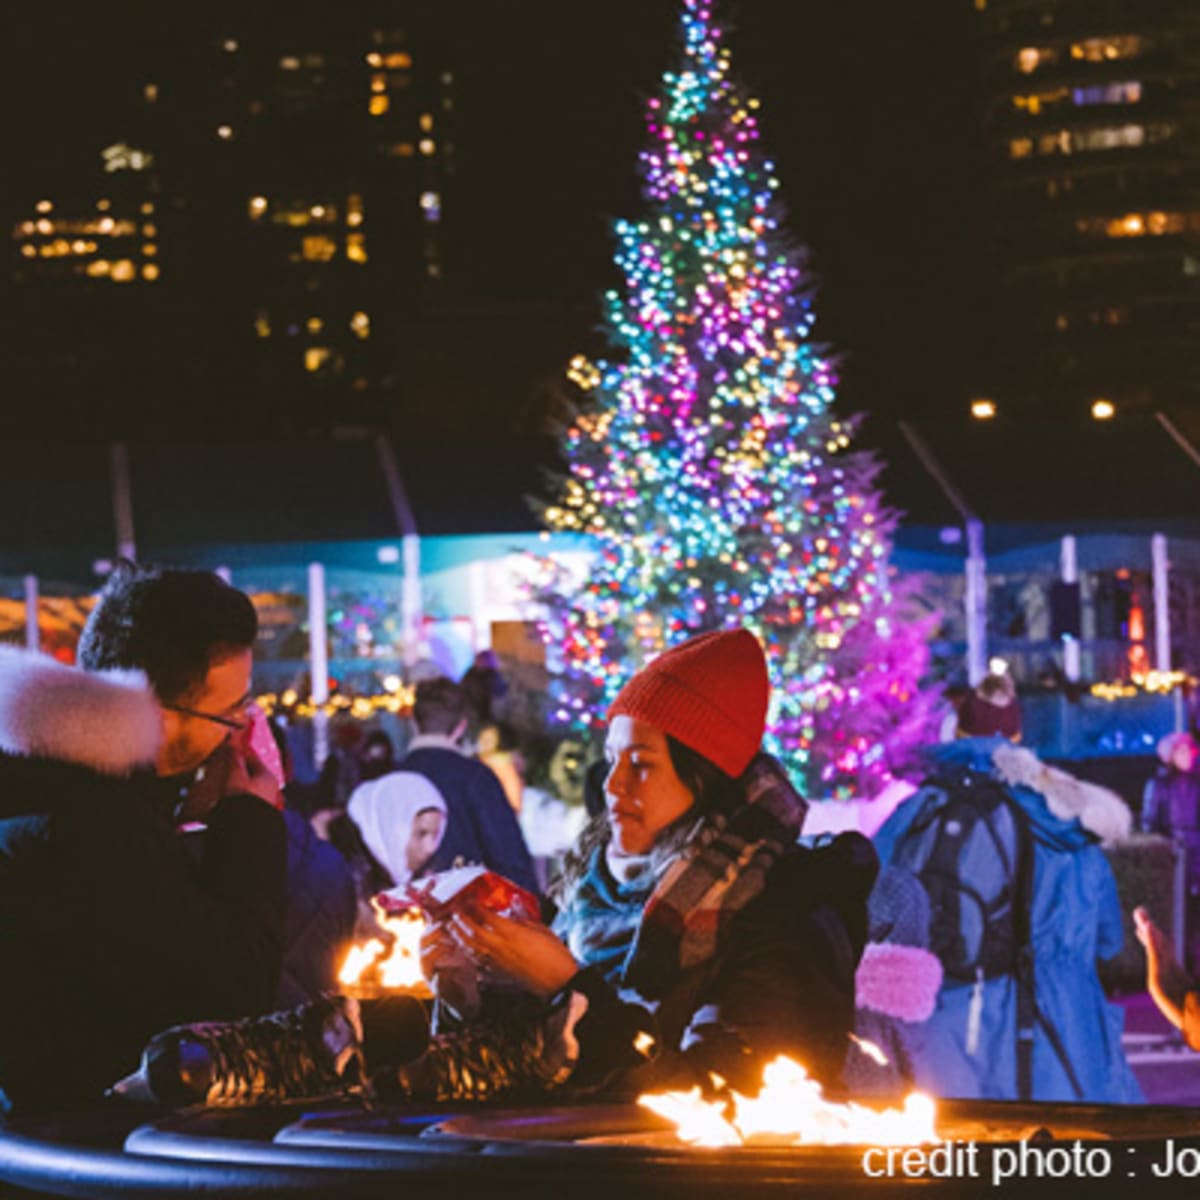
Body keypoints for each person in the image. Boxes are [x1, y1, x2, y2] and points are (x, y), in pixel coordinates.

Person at [379, 628, 874, 1103]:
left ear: (702, 776)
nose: (613, 785)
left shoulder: (781, 912)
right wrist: (467, 993)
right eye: (612, 760)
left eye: (640, 763)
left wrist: (568, 987)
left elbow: (726, 1103)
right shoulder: (581, 897)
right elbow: (523, 1076)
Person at [0, 564, 286, 1115]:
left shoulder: (51, 781)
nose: (242, 730)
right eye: (231, 710)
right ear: (160, 712)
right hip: (97, 1154)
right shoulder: (96, 825)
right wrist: (248, 820)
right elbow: (233, 999)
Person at [873, 736, 1140, 1103]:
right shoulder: (1076, 838)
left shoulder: (931, 811)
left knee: (956, 1139)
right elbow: (1110, 944)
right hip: (1067, 1019)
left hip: (949, 1009)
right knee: (1069, 1140)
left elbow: (878, 889)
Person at [397, 677, 538, 895]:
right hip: (467, 912)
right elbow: (507, 855)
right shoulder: (476, 777)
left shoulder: (391, 777)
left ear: (414, 722)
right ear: (461, 727)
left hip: (401, 913)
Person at [334, 771, 448, 936]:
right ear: (392, 827)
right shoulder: (343, 877)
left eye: (436, 834)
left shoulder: (425, 882)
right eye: (421, 833)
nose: (430, 847)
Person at [1142, 732, 1200, 970]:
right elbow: (1151, 822)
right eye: (1183, 751)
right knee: (1180, 914)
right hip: (1178, 857)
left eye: (1191, 750)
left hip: (1196, 854)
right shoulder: (1160, 784)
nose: (1189, 756)